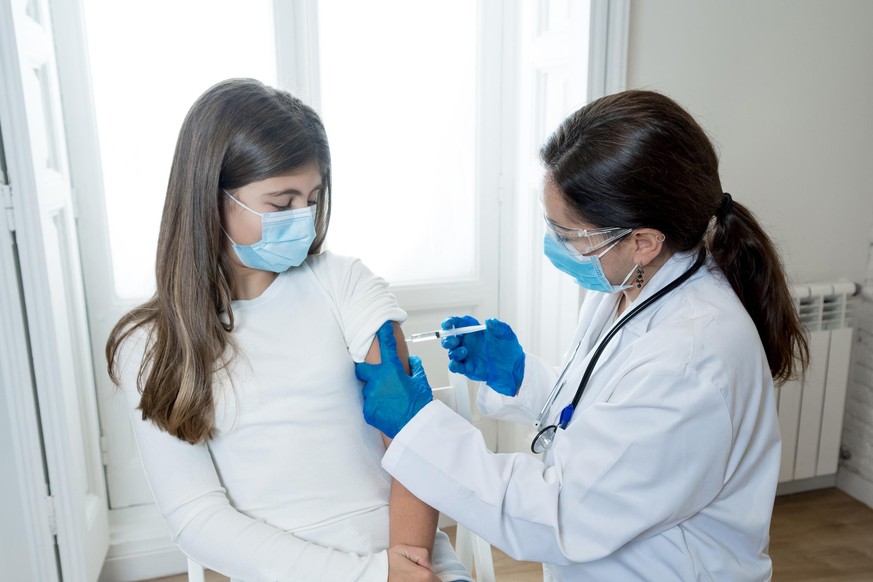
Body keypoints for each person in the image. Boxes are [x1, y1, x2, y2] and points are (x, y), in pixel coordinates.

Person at [355, 90, 810, 581]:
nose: (557, 246)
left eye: (570, 235)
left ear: (643, 240)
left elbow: (561, 513)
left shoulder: (692, 361)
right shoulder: (636, 283)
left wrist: (416, 428)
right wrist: (522, 377)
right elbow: (605, 416)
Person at [105, 78, 470, 582]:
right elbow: (196, 518)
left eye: (312, 198)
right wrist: (364, 575)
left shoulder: (345, 284)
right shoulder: (150, 344)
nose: (302, 218)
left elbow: (412, 442)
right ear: (211, 199)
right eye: (280, 204)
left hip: (407, 560)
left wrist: (404, 565)